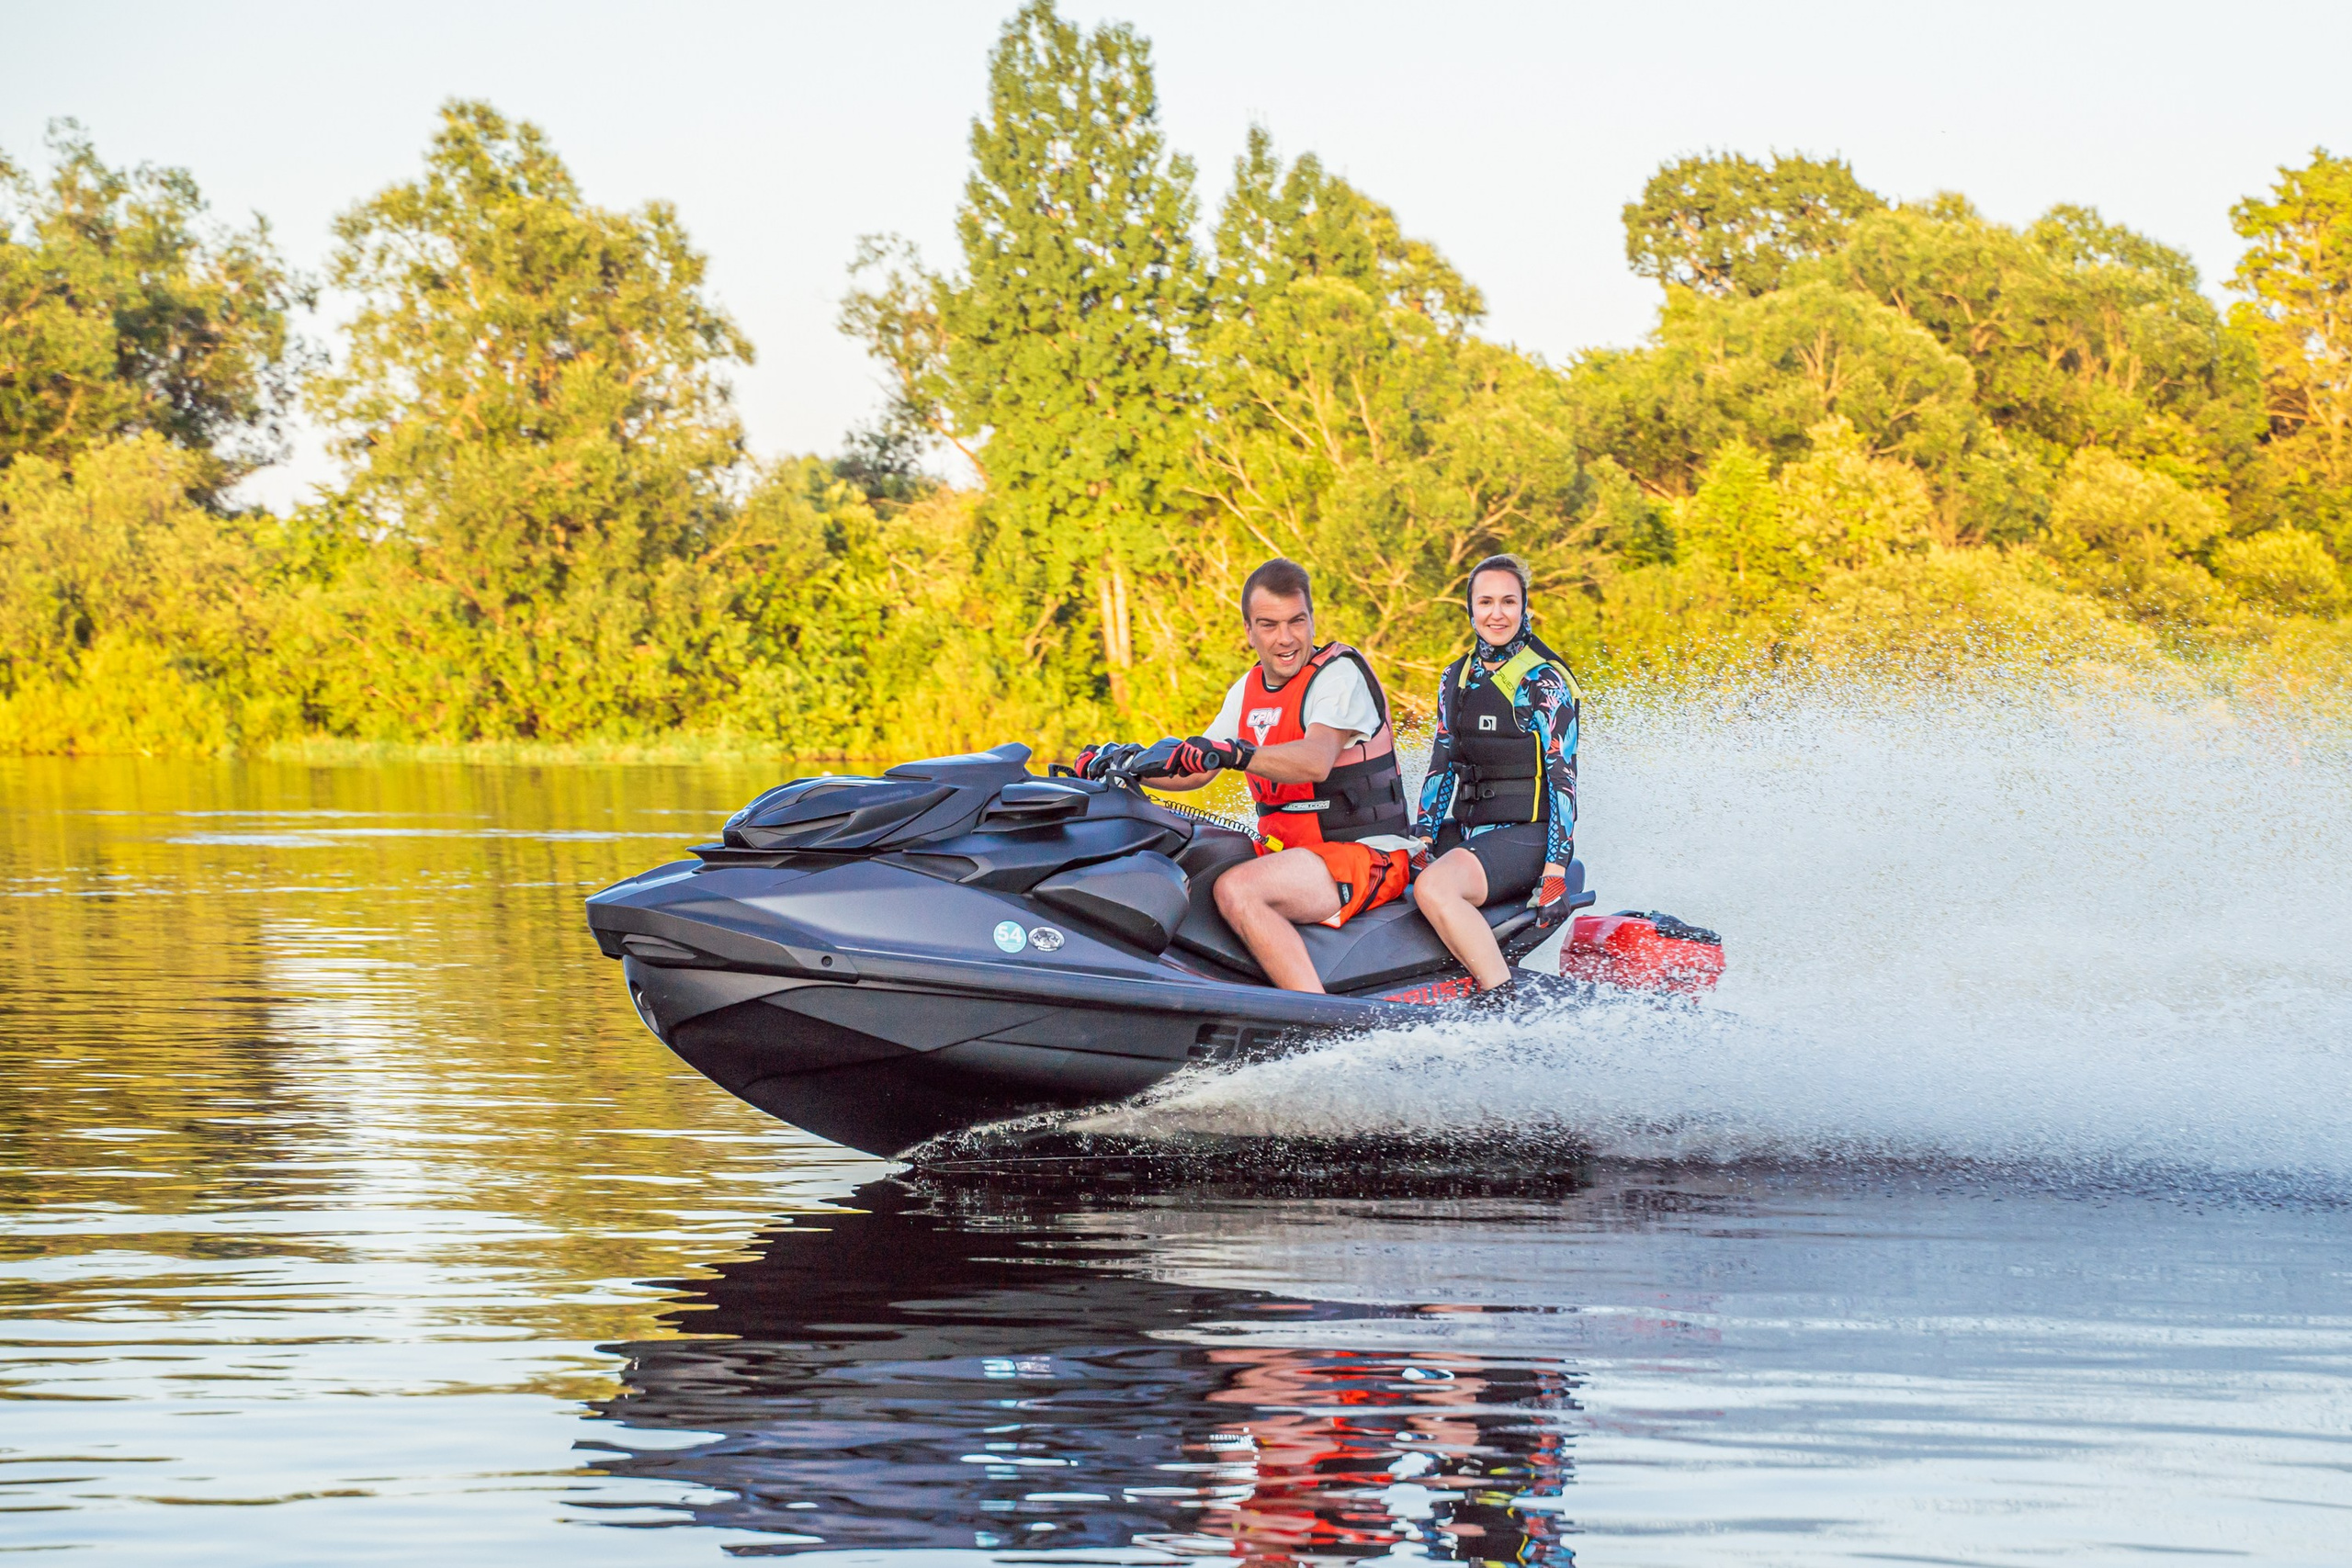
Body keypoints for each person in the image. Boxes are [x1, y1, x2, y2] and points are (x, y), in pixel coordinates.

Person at [1078, 558, 1415, 992]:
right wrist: (1123, 764)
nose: (1286, 638)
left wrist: (1235, 753)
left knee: (1239, 889)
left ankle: (1316, 1020)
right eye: (1269, 625)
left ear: (1312, 620)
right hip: (1288, 855)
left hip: (1366, 856)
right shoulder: (1247, 690)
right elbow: (1196, 772)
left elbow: (1314, 760)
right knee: (1183, 865)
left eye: (1297, 621)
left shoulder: (1339, 675)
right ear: (1249, 632)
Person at [1410, 554, 1581, 1001]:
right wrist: (1421, 840)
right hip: (1469, 834)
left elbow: (1565, 779)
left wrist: (1556, 870)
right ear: (1470, 611)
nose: (1496, 613)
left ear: (1525, 609)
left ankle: (1501, 999)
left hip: (1527, 838)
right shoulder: (1455, 676)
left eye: (1509, 601)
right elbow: (1441, 763)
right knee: (1380, 865)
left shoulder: (1544, 682)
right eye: (1485, 602)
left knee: (1435, 886)